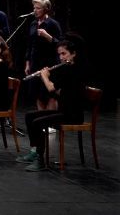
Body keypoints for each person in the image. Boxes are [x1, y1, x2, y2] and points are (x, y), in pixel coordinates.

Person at [17, 37, 87, 171]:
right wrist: (47, 76)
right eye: (59, 54)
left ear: (73, 54)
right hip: (64, 111)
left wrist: (44, 76)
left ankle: (40, 160)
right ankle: (35, 152)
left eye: (64, 53)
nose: (61, 57)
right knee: (30, 116)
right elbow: (58, 93)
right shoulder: (66, 68)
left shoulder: (74, 70)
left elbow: (51, 88)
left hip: (72, 115)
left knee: (37, 122)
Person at [24, 0, 63, 111]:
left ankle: (51, 124)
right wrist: (27, 63)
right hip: (35, 63)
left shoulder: (53, 24)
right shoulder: (33, 24)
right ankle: (42, 124)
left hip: (49, 64)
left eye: (38, 8)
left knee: (49, 95)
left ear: (46, 9)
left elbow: (61, 44)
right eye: (34, 8)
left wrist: (48, 36)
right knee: (37, 94)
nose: (35, 10)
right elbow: (29, 45)